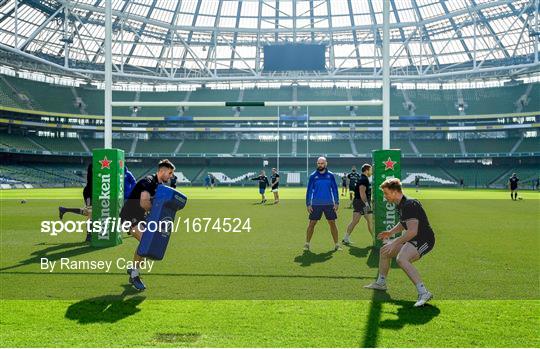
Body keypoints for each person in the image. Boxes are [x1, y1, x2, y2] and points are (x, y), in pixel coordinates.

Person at [364, 178, 435, 307]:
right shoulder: (401, 204)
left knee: (402, 259)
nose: (385, 197)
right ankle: (381, 283)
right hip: (413, 237)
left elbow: (412, 231)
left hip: (424, 239)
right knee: (385, 251)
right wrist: (390, 233)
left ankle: (424, 292)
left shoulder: (409, 204)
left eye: (386, 193)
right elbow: (404, 223)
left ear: (395, 192)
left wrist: (394, 242)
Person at [120, 159, 176, 291]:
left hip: (140, 217)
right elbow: (144, 203)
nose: (171, 176)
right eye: (170, 173)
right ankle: (134, 275)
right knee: (147, 241)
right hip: (129, 217)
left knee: (148, 244)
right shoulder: (149, 181)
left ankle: (133, 269)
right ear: (162, 171)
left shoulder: (160, 185)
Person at [304, 157, 340, 252]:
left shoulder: (331, 175)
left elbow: (335, 189)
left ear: (326, 164)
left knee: (332, 223)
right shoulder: (313, 176)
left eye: (322, 163)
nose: (320, 165)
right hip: (316, 204)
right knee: (312, 223)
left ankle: (336, 244)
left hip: (329, 204)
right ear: (317, 164)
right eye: (319, 163)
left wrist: (336, 202)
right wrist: (308, 204)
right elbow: (309, 191)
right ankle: (307, 244)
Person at [58, 163, 93, 241]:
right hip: (89, 193)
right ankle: (89, 235)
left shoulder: (95, 171)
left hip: (92, 192)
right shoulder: (92, 169)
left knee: (87, 212)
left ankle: (64, 209)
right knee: (90, 213)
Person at [343, 164, 373, 245]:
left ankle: (345, 238)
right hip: (362, 203)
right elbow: (362, 193)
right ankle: (376, 240)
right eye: (371, 170)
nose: (372, 171)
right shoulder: (364, 179)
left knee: (355, 221)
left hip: (358, 202)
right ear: (366, 170)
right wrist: (367, 204)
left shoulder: (362, 178)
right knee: (370, 221)